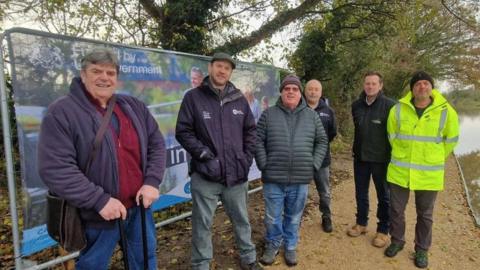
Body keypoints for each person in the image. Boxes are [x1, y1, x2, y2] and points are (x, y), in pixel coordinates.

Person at [37, 49, 166, 270]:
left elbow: (157, 144)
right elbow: (56, 168)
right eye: (96, 71)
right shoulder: (62, 112)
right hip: (95, 215)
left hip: (138, 208)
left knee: (145, 261)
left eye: (110, 72)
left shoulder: (133, 106)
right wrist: (99, 200)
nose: (104, 77)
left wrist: (152, 181)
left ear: (116, 78)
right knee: (92, 266)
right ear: (83, 74)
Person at [175, 52, 262, 270]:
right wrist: (204, 155)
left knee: (242, 220)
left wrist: (245, 158)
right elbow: (183, 131)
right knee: (202, 225)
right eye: (219, 66)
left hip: (236, 175)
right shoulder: (193, 97)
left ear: (230, 72)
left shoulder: (239, 99)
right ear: (211, 68)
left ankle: (249, 259)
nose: (222, 71)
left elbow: (251, 131)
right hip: (205, 175)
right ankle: (201, 265)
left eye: (227, 68)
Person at [384, 71, 459, 268]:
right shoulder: (398, 109)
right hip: (400, 171)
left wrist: (434, 157)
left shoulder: (446, 111)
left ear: (431, 87)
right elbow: (392, 135)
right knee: (396, 210)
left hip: (429, 173)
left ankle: (422, 250)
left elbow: (451, 140)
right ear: (412, 88)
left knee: (425, 214)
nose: (422, 87)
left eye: (426, 83)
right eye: (418, 84)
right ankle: (397, 241)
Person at [255, 75, 328, 266]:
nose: (290, 92)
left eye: (295, 89)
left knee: (294, 217)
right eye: (287, 88)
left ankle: (290, 245)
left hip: (300, 178)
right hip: (273, 178)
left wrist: (313, 164)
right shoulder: (268, 114)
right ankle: (272, 244)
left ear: (300, 93)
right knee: (272, 217)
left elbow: (322, 141)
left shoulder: (312, 116)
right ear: (281, 92)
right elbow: (257, 141)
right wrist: (263, 163)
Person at [348, 71, 396, 248]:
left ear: (380, 86)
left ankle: (383, 230)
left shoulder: (391, 106)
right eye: (367, 83)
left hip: (382, 160)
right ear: (364, 85)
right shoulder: (356, 105)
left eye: (374, 83)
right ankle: (361, 223)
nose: (370, 86)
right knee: (360, 193)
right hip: (360, 158)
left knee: (384, 196)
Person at [304, 79, 337, 233]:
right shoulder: (298, 108)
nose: (313, 92)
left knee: (324, 191)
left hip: (322, 160)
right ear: (305, 91)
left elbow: (332, 133)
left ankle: (326, 216)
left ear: (321, 92)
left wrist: (319, 148)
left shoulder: (328, 111)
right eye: (310, 89)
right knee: (300, 192)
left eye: (316, 89)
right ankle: (296, 219)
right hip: (301, 159)